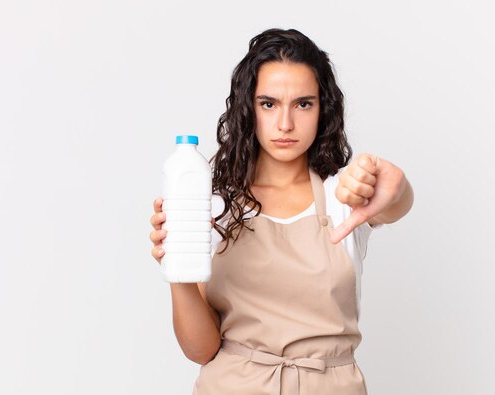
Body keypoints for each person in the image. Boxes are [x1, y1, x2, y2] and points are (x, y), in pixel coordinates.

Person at [149, 28, 413, 395]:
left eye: (303, 104)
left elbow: (394, 203)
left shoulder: (343, 195)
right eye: (268, 104)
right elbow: (201, 349)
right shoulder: (215, 206)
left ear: (323, 110)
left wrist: (396, 186)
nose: (285, 124)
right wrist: (176, 268)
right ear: (248, 109)